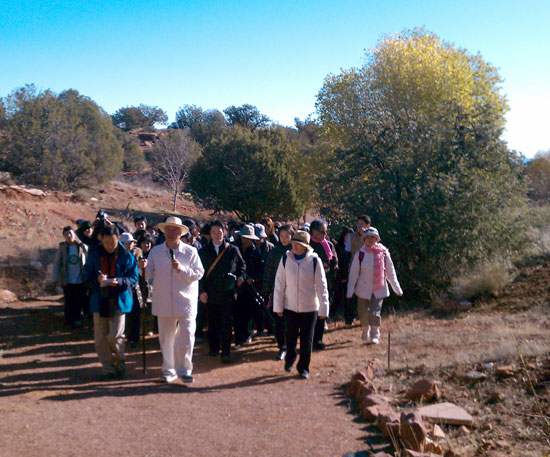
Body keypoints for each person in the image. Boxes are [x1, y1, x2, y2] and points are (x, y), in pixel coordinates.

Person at [145, 216, 204, 383]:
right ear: (164, 232)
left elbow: (199, 273)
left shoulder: (191, 252)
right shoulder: (155, 252)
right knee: (166, 337)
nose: (171, 233)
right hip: (163, 300)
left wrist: (181, 269)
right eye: (168, 229)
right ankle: (169, 370)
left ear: (181, 233)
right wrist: (142, 267)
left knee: (186, 335)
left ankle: (184, 369)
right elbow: (148, 274)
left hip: (186, 301)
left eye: (175, 230)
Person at [84, 225, 139, 380]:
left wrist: (119, 281)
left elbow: (133, 278)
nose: (110, 246)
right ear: (102, 239)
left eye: (113, 243)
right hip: (99, 299)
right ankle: (107, 368)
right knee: (100, 338)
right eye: (107, 242)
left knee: (115, 335)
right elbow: (86, 275)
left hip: (119, 300)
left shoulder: (127, 256)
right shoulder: (95, 254)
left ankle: (120, 361)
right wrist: (97, 279)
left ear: (118, 240)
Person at [273, 230, 329, 379]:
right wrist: (277, 306)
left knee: (306, 340)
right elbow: (279, 284)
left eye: (298, 244)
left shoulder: (315, 261)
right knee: (290, 338)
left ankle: (303, 367)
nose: (295, 247)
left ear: (306, 246)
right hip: (290, 307)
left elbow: (322, 286)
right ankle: (289, 360)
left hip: (310, 308)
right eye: (294, 244)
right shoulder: (285, 259)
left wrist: (324, 309)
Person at [198, 220, 246, 363]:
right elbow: (199, 275)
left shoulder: (232, 250)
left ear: (224, 232)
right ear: (210, 234)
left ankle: (226, 351)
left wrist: (240, 278)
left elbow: (242, 267)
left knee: (226, 323)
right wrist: (202, 292)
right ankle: (214, 348)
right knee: (212, 322)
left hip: (227, 292)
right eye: (214, 232)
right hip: (211, 293)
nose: (217, 235)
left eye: (219, 232)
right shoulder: (203, 252)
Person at [346, 227, 403, 344]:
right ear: (364, 239)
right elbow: (354, 273)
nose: (370, 240)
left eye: (373, 237)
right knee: (362, 312)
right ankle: (365, 328)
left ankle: (374, 333)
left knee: (374, 312)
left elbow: (390, 272)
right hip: (363, 288)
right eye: (368, 237)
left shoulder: (384, 253)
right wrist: (350, 290)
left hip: (379, 288)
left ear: (377, 239)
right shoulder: (360, 254)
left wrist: (396, 288)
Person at [262, 224, 294, 360]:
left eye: (287, 236)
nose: (284, 239)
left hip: (294, 292)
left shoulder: (296, 251)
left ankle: (291, 346)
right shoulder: (274, 253)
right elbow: (268, 273)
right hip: (278, 291)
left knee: (292, 321)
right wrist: (266, 291)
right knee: (279, 321)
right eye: (282, 236)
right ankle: (282, 347)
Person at [309, 220, 338, 350]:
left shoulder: (328, 245)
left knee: (322, 311)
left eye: (326, 231)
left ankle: (318, 340)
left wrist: (332, 273)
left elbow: (334, 262)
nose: (325, 234)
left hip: (325, 282)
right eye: (322, 232)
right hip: (309, 283)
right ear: (314, 232)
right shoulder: (306, 244)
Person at [54, 226, 88, 328]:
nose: (69, 236)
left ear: (74, 234)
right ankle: (68, 320)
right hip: (67, 279)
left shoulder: (82, 247)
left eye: (70, 233)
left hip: (80, 279)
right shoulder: (62, 247)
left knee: (78, 301)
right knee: (68, 301)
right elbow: (57, 263)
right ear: (63, 236)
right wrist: (56, 278)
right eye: (66, 234)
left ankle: (77, 319)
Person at [120, 232, 143, 348]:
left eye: (131, 243)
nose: (130, 245)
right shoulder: (118, 256)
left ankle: (134, 338)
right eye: (127, 243)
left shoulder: (138, 254)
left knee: (135, 314)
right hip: (122, 289)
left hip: (135, 288)